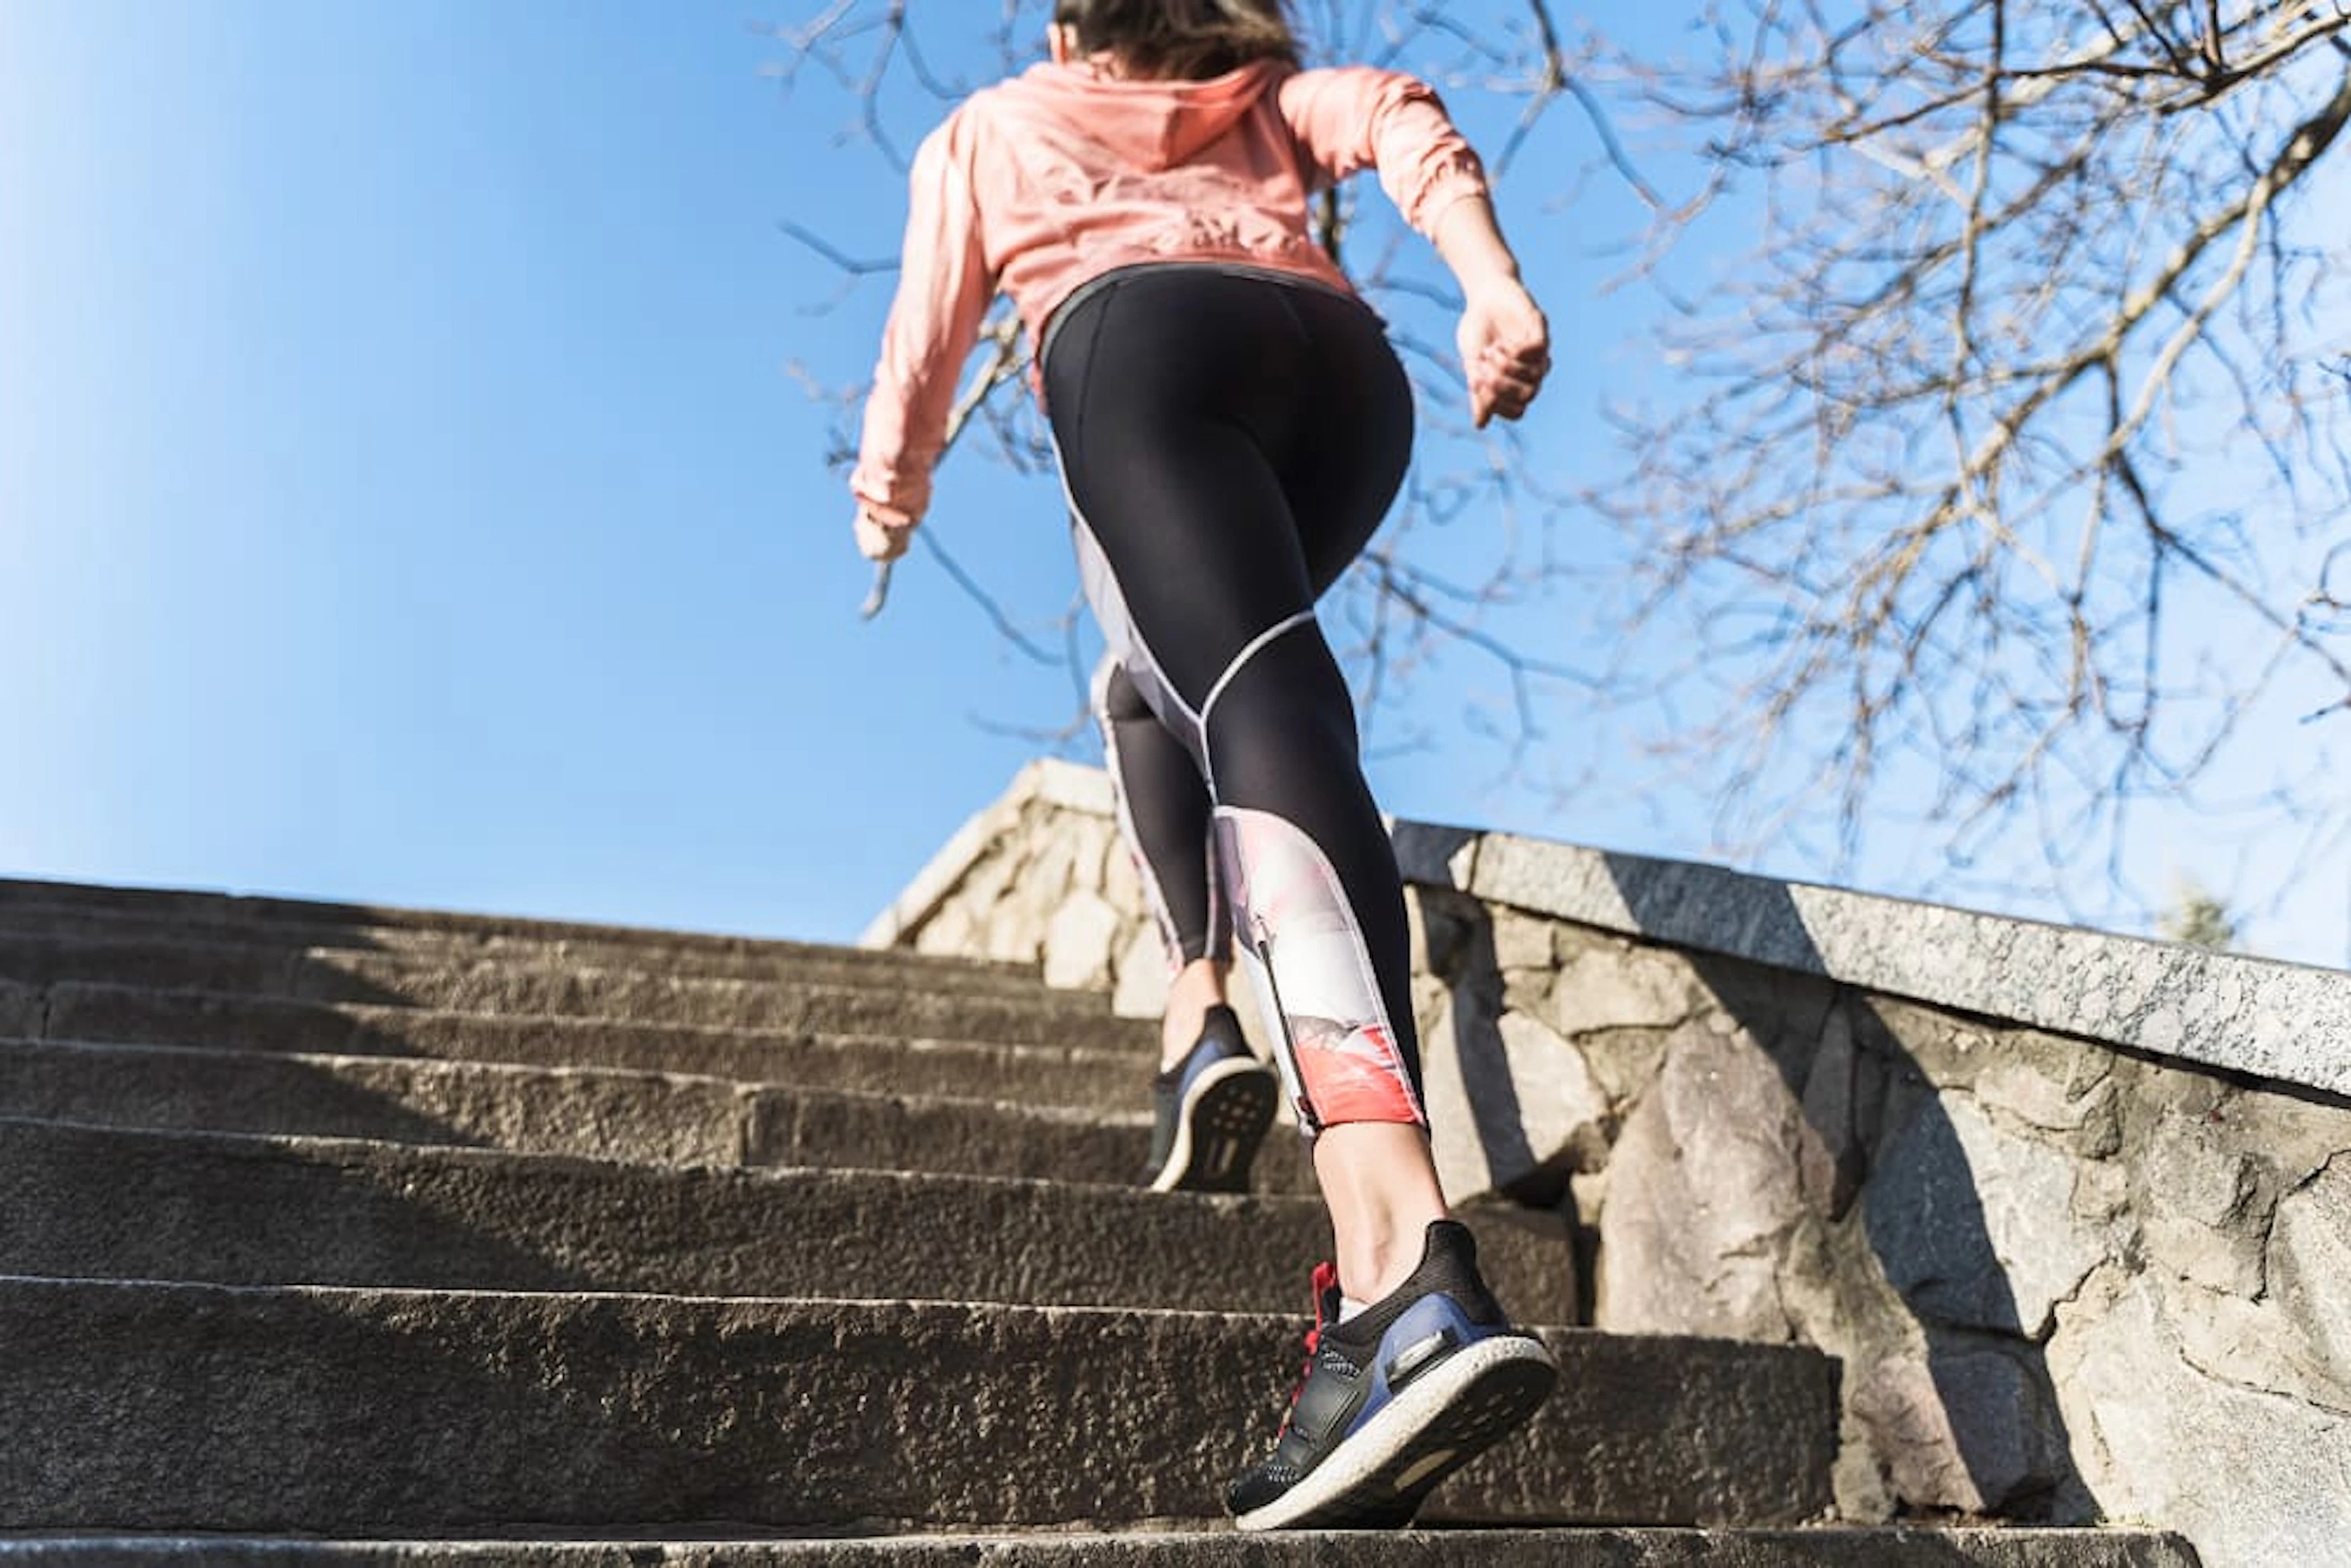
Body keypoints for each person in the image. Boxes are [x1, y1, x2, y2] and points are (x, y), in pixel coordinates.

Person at [848, 0, 1556, 1531]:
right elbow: (1401, 111)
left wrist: (886, 496)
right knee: (1164, 674)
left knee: (1240, 688)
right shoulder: (1268, 97)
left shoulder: (987, 129)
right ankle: (1198, 1020)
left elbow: (926, 335)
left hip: (1138, 338)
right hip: (1339, 374)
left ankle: (1395, 1266)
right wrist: (1486, 282)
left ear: (1060, 21)